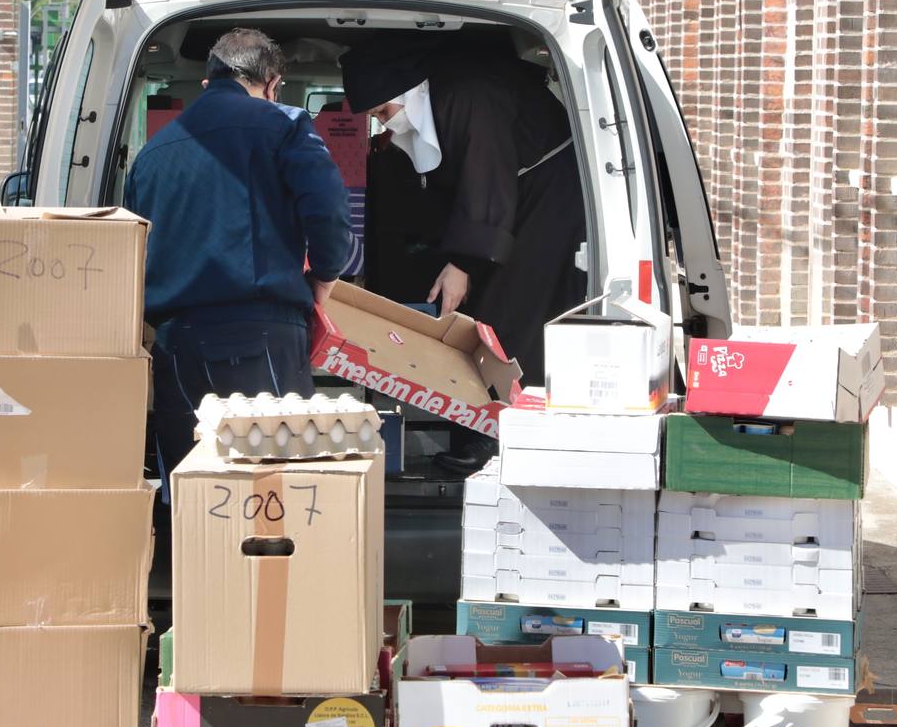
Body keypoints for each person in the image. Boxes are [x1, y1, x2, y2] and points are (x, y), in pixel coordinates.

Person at [125, 28, 352, 497]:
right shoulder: (285, 124)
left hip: (175, 345)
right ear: (273, 84)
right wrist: (326, 275)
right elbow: (328, 209)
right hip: (260, 333)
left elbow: (130, 248)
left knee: (191, 489)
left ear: (207, 84)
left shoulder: (151, 155)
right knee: (273, 486)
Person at [341, 36, 586, 470]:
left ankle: (501, 438)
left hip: (549, 200)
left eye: (382, 112)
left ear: (405, 92)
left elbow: (485, 177)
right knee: (488, 315)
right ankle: (481, 430)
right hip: (517, 199)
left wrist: (463, 263)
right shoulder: (441, 96)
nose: (384, 124)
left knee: (509, 315)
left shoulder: (469, 95)